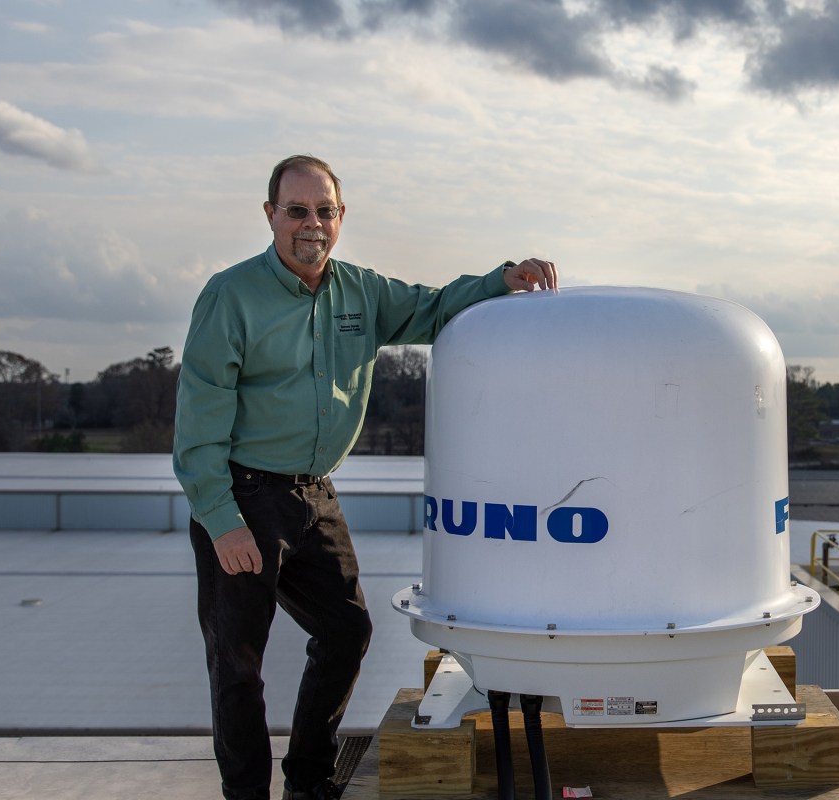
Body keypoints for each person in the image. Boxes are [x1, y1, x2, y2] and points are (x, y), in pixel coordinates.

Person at [173, 154, 557, 800]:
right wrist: (222, 520)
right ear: (270, 215)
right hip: (244, 498)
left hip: (313, 496)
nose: (311, 224)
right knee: (238, 664)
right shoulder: (231, 297)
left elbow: (434, 310)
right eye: (296, 211)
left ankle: (309, 779)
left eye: (324, 211)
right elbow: (196, 426)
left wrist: (502, 280)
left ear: (341, 217)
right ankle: (245, 793)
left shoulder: (361, 293)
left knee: (347, 631)